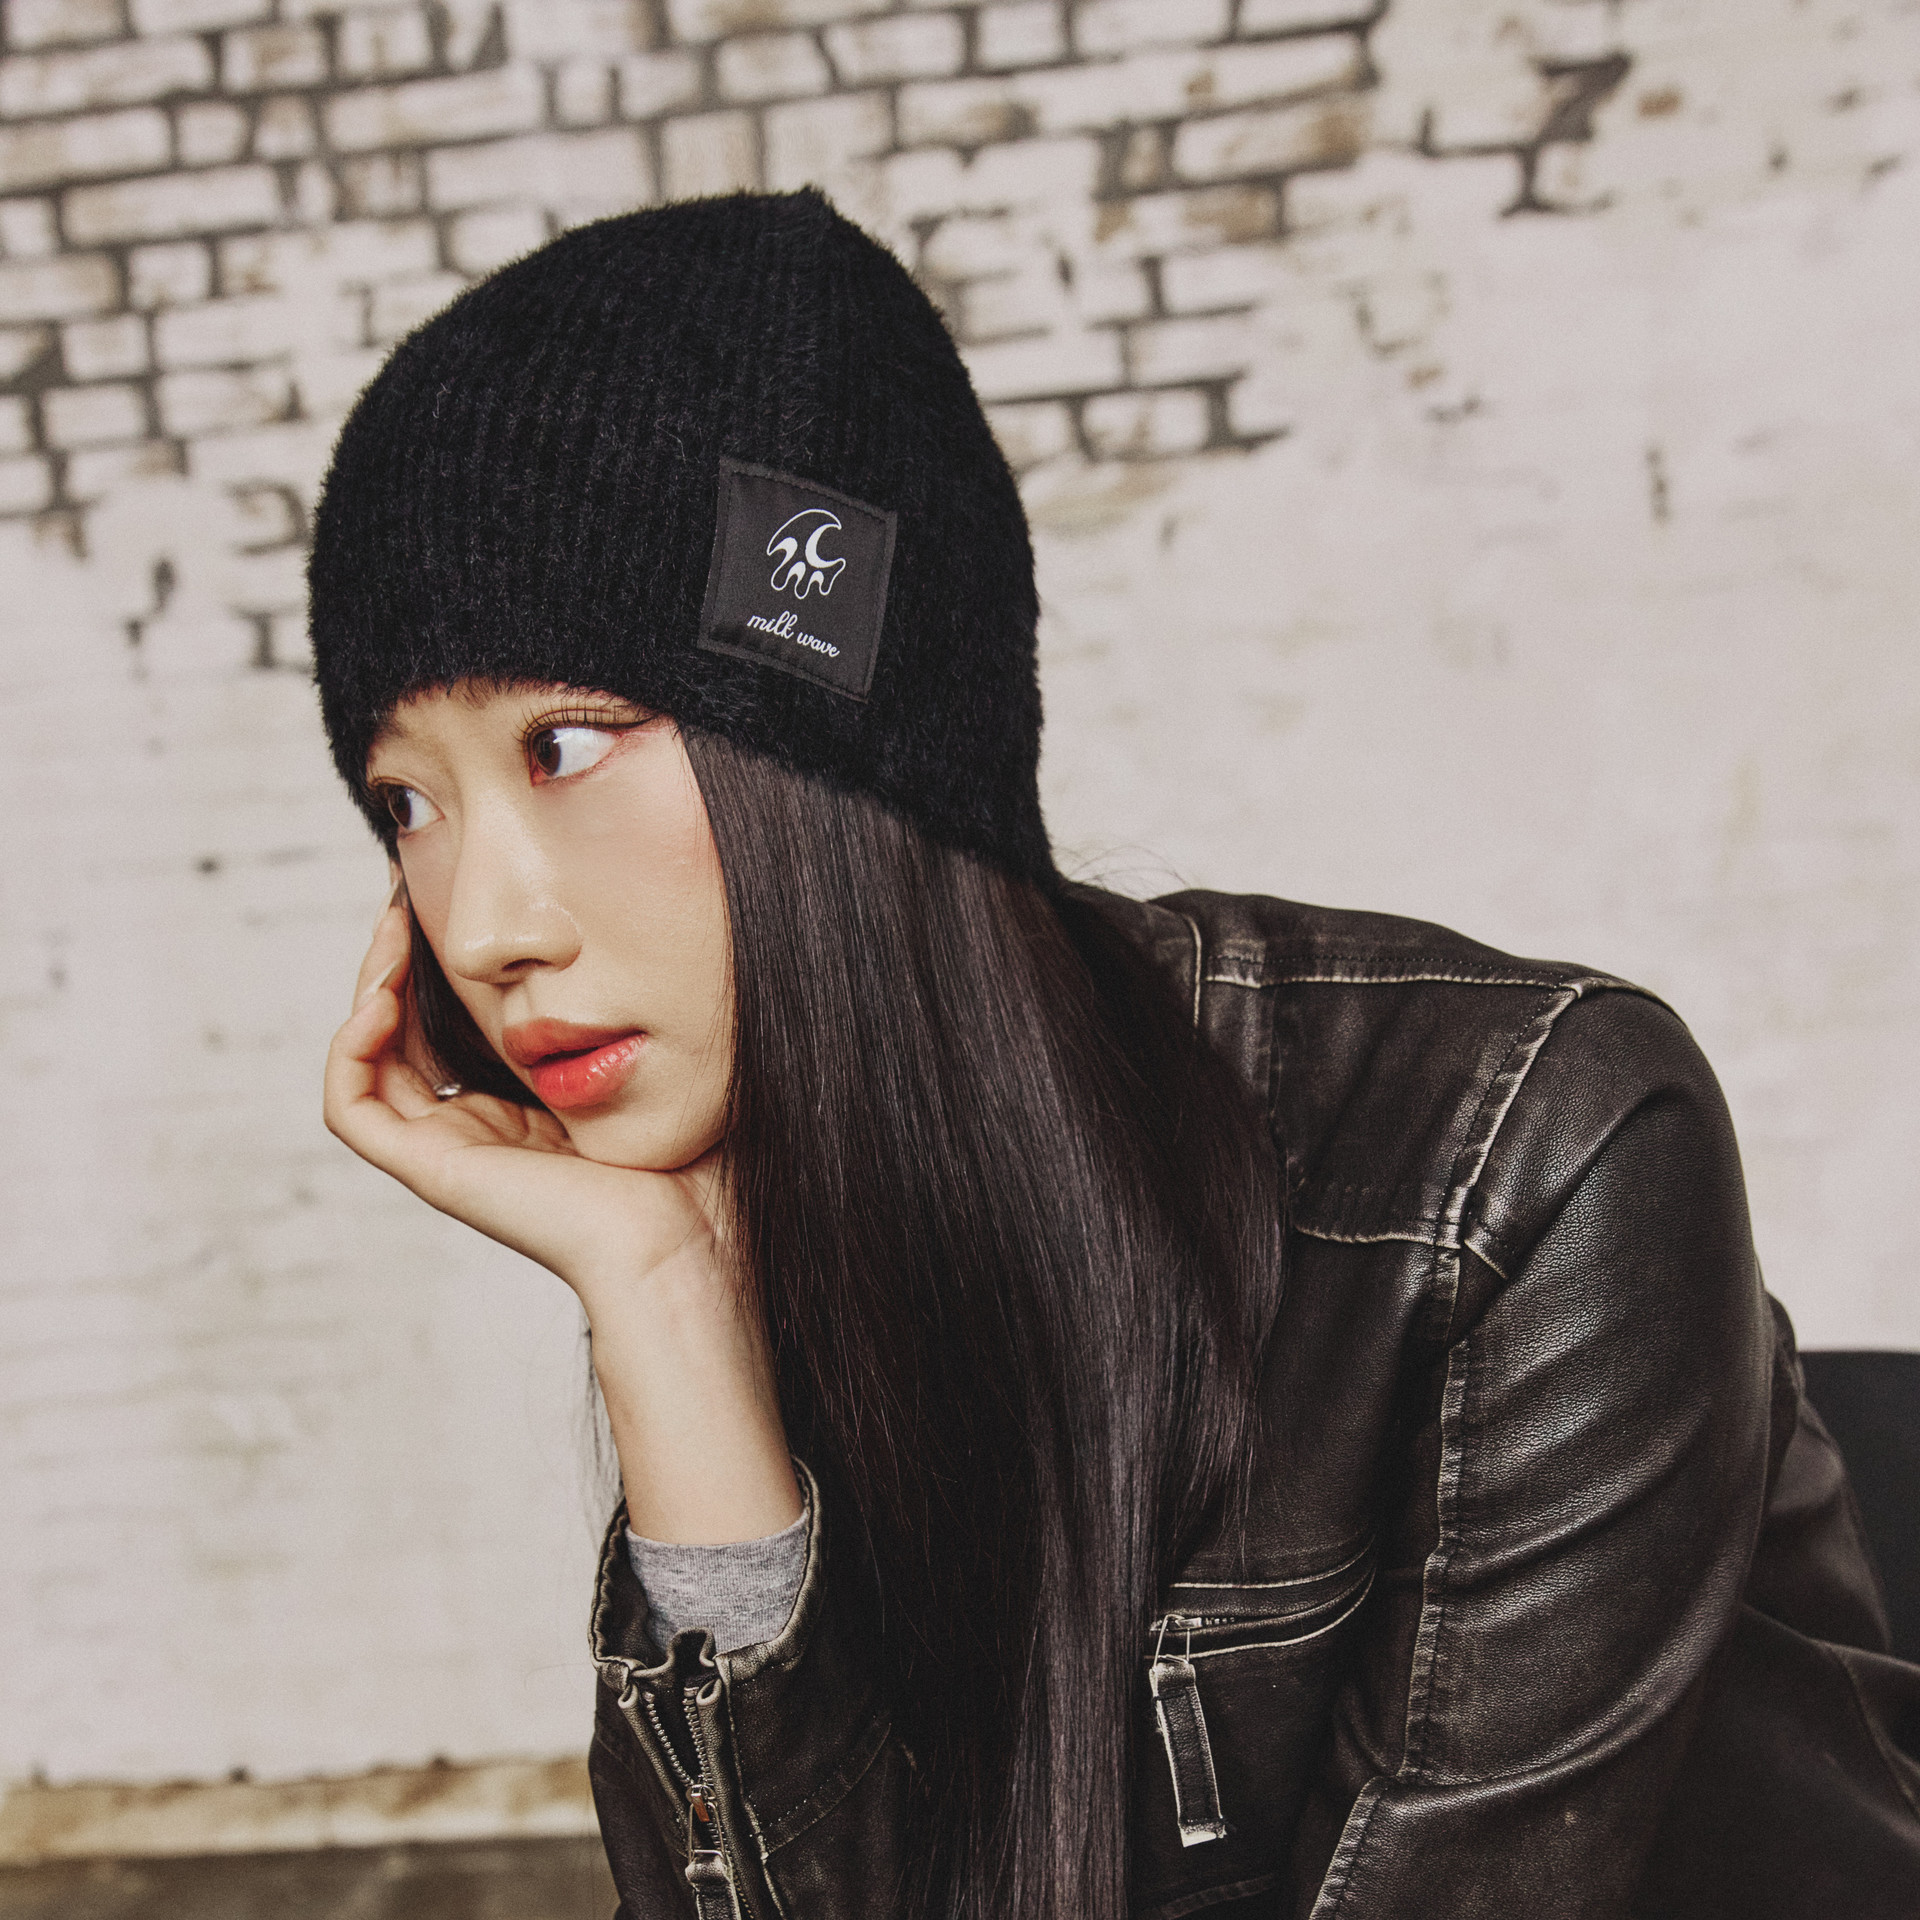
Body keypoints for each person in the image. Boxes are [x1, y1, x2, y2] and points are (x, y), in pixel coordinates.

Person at [311, 191, 1920, 1920]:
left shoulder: (1528, 1156)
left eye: (565, 744)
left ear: (852, 754)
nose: (484, 924)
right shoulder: (744, 1228)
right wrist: (663, 1303)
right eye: (407, 801)